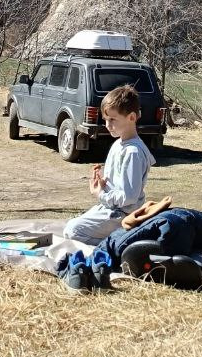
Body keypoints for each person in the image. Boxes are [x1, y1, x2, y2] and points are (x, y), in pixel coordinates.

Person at [63, 84, 155, 245]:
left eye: (113, 119)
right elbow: (117, 184)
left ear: (131, 117)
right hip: (110, 207)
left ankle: (119, 245)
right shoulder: (118, 144)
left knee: (72, 231)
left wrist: (101, 195)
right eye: (106, 119)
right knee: (70, 226)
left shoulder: (133, 152)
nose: (107, 124)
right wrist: (102, 184)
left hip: (123, 214)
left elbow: (129, 196)